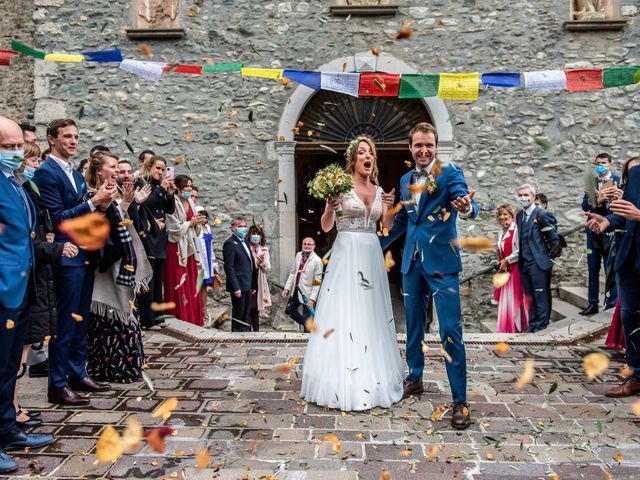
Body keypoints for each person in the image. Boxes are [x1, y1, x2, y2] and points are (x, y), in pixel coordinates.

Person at [382, 123, 477, 429]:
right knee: (413, 325)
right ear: (410, 148)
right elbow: (407, 222)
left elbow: (466, 202)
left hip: (442, 263)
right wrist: (374, 243)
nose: (423, 150)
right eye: (418, 146)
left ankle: (460, 400)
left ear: (436, 147)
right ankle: (415, 377)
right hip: (412, 261)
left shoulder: (450, 173)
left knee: (450, 329)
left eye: (429, 145)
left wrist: (467, 208)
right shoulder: (405, 178)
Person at [301, 135, 403, 412]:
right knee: (346, 310)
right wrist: (329, 208)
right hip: (346, 250)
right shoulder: (342, 188)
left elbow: (388, 227)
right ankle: (340, 377)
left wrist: (390, 207)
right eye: (361, 152)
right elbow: (325, 227)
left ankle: (373, 373)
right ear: (353, 159)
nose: (367, 157)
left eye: (370, 153)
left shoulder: (381, 190)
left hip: (371, 251)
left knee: (371, 311)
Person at [33, 119, 115, 407]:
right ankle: (57, 384)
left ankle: (78, 372)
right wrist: (93, 204)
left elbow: (81, 211)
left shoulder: (77, 176)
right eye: (67, 136)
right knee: (65, 322)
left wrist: (101, 204)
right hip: (66, 255)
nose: (73, 141)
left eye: (76, 136)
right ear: (51, 138)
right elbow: (56, 217)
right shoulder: (46, 173)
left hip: (86, 254)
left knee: (81, 319)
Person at [0, 116, 54, 473]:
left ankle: (6, 427)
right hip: (3, 288)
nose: (16, 152)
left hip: (20, 287)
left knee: (7, 367)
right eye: (7, 147)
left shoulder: (14, 183)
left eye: (18, 145)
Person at [13, 142, 77, 428]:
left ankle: (13, 407)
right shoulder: (16, 190)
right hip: (21, 275)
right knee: (16, 354)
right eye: (31, 159)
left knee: (21, 350)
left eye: (36, 159)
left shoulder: (24, 190)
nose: (35, 166)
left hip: (34, 273)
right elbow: (24, 238)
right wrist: (52, 246)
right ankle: (11, 411)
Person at [84, 152, 152, 383]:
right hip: (105, 266)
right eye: (113, 167)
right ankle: (110, 368)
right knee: (111, 317)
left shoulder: (112, 194)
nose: (118, 172)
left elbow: (120, 221)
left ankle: (124, 367)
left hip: (120, 264)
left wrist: (126, 203)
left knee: (126, 313)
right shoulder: (91, 195)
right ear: (99, 170)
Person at [586, 156, 640, 397]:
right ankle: (635, 375)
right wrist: (607, 220)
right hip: (629, 258)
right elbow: (626, 209)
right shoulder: (636, 174)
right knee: (629, 318)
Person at [134, 155, 176, 329]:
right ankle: (147, 319)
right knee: (149, 279)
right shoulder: (141, 182)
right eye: (157, 168)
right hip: (148, 236)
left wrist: (170, 194)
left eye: (163, 168)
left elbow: (169, 209)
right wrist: (161, 191)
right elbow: (146, 203)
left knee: (158, 279)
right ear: (149, 167)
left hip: (159, 238)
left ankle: (158, 316)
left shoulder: (159, 186)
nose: (160, 171)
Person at [515, 184, 559, 333]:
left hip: (539, 262)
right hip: (524, 262)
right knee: (530, 295)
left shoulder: (541, 214)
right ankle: (532, 323)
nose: (523, 198)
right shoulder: (519, 215)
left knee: (541, 293)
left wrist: (548, 258)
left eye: (526, 195)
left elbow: (554, 239)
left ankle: (541, 324)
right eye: (520, 195)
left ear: (533, 197)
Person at [580, 153, 620, 315]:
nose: (600, 165)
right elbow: (585, 206)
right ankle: (593, 303)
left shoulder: (617, 181)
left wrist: (608, 199)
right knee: (592, 268)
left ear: (610, 164)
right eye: (597, 163)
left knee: (610, 269)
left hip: (610, 232)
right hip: (593, 234)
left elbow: (619, 208)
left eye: (603, 163)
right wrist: (596, 200)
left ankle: (611, 303)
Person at [164, 174, 205, 326]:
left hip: (189, 248)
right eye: (186, 186)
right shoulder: (172, 202)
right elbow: (173, 227)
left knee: (191, 282)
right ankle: (180, 317)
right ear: (178, 187)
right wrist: (190, 223)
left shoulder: (190, 202)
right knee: (178, 282)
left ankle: (193, 318)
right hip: (176, 247)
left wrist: (198, 223)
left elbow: (194, 226)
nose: (188, 189)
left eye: (190, 186)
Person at [494, 204, 528, 333]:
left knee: (514, 298)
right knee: (506, 299)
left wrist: (508, 259)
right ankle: (507, 326)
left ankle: (516, 327)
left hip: (515, 269)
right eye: (500, 215)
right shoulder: (501, 233)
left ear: (512, 216)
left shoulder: (516, 230)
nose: (503, 218)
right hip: (505, 271)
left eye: (505, 215)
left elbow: (521, 250)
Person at [223, 217, 258, 332]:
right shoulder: (230, 243)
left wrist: (253, 285)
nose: (243, 229)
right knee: (239, 312)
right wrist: (235, 287)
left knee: (246, 313)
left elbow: (251, 264)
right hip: (238, 285)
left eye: (244, 226)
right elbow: (229, 267)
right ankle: (237, 335)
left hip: (247, 284)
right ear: (233, 228)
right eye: (240, 226)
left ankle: (245, 334)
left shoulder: (246, 242)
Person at [282, 237, 323, 332]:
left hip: (307, 293)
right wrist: (287, 288)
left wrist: (312, 299)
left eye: (309, 244)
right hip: (296, 290)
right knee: (289, 310)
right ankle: (308, 324)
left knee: (307, 321)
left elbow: (317, 281)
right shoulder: (298, 255)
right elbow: (293, 273)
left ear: (314, 246)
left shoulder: (317, 260)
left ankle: (307, 341)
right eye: (305, 244)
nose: (306, 246)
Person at [195, 206, 220, 323]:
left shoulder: (207, 228)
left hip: (208, 261)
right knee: (198, 286)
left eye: (203, 215)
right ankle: (196, 311)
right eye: (199, 215)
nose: (202, 217)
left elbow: (210, 245)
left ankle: (204, 310)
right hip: (200, 261)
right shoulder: (195, 229)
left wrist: (214, 261)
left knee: (205, 287)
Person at [247, 225, 271, 332]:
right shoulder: (246, 248)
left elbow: (267, 268)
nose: (255, 236)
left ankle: (256, 332)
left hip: (258, 280)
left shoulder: (264, 250)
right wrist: (256, 262)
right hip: (248, 280)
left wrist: (261, 263)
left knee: (256, 307)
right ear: (249, 235)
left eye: (258, 234)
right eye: (253, 234)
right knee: (248, 307)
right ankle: (246, 331)